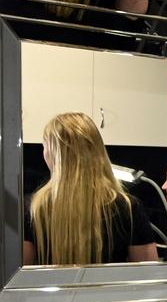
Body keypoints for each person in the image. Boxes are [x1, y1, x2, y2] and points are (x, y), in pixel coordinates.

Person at [22, 112, 159, 265]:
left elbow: (20, 276)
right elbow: (147, 274)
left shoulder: (33, 208)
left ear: (52, 153)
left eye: (44, 146)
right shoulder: (127, 207)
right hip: (107, 289)